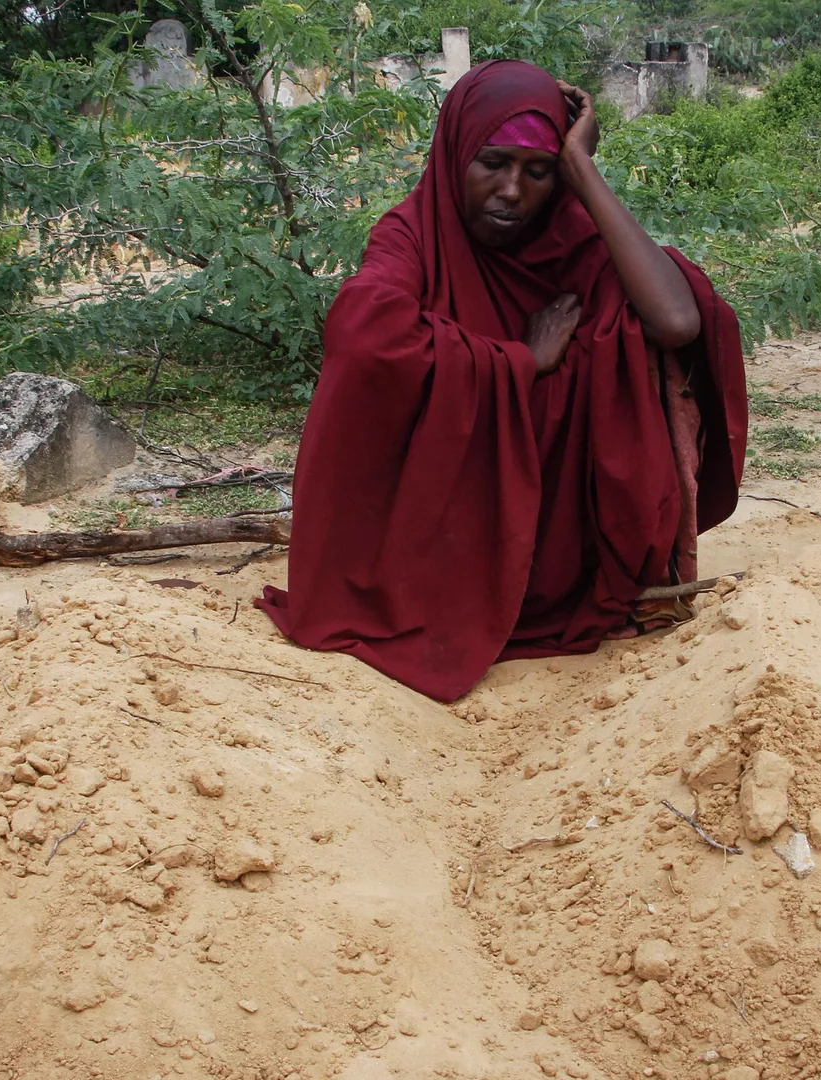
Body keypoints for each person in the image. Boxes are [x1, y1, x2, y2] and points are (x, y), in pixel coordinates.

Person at [257, 59, 746, 702]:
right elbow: (362, 332)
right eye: (493, 163)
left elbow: (678, 320)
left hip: (561, 545)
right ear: (458, 151)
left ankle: (621, 573)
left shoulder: (571, 240)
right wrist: (519, 360)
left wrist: (582, 168)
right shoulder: (415, 234)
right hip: (443, 532)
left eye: (538, 171)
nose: (512, 191)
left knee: (628, 330)